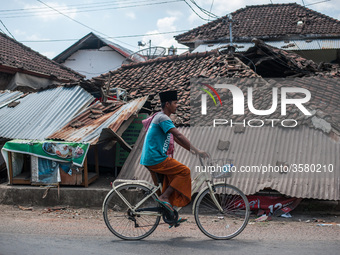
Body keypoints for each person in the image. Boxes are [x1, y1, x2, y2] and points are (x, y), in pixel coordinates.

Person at [140, 90, 208, 217]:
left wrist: (192, 151)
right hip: (156, 158)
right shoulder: (162, 118)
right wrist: (197, 150)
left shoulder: (159, 117)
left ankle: (169, 215)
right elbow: (178, 135)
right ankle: (164, 197)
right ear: (167, 104)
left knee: (165, 184)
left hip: (151, 157)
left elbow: (176, 138)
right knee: (184, 171)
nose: (177, 106)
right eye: (175, 103)